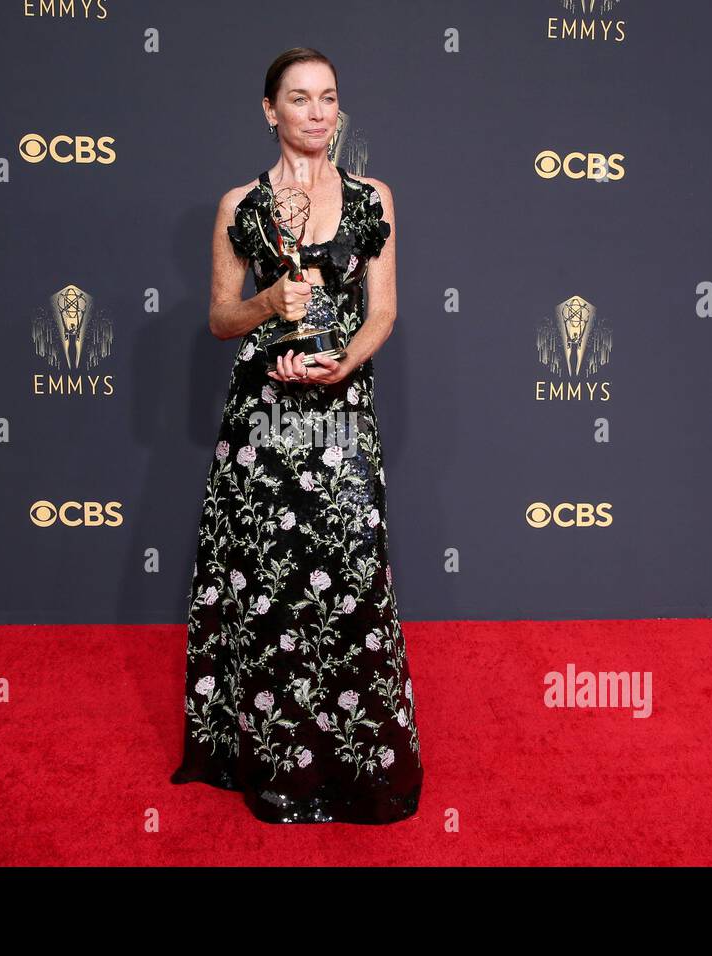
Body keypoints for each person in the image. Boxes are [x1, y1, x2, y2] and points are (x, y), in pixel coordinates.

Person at [170, 47, 422, 824]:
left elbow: (383, 309)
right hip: (264, 421)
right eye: (300, 98)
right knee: (268, 590)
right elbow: (220, 318)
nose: (317, 112)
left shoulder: (373, 195)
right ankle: (275, 760)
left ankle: (359, 765)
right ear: (269, 110)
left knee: (351, 579)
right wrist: (269, 300)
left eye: (329, 98)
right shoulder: (238, 206)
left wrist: (345, 362)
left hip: (342, 413)